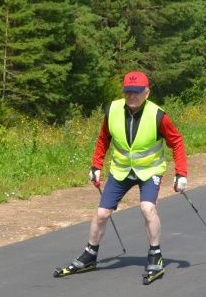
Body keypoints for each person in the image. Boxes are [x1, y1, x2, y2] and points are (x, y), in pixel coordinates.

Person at [54, 71, 188, 283]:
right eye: (128, 92)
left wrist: (181, 173)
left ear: (147, 92)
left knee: (147, 208)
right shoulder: (113, 110)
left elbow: (177, 142)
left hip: (149, 170)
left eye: (136, 92)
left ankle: (155, 255)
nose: (132, 96)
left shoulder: (158, 115)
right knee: (102, 213)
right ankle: (90, 254)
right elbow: (103, 139)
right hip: (121, 170)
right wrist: (96, 165)